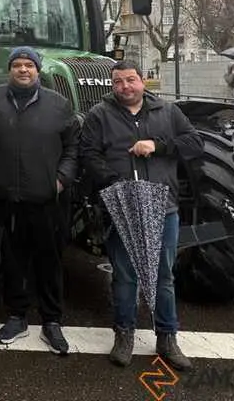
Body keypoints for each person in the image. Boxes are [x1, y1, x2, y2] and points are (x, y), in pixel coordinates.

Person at [79, 60, 203, 372]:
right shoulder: (99, 116)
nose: (125, 87)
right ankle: (124, 334)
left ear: (142, 81)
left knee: (163, 275)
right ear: (112, 85)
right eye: (118, 82)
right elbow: (89, 156)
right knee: (125, 275)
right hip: (123, 206)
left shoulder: (168, 111)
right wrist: (114, 184)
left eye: (130, 80)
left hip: (164, 207)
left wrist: (158, 145)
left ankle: (167, 337)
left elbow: (194, 143)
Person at [0, 47, 79, 356]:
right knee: (13, 260)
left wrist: (60, 180)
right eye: (17, 65)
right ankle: (16, 317)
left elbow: (73, 147)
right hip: (5, 200)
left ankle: (52, 321)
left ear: (38, 70)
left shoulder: (59, 105)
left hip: (47, 200)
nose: (23, 70)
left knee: (50, 260)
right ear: (9, 70)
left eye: (29, 65)